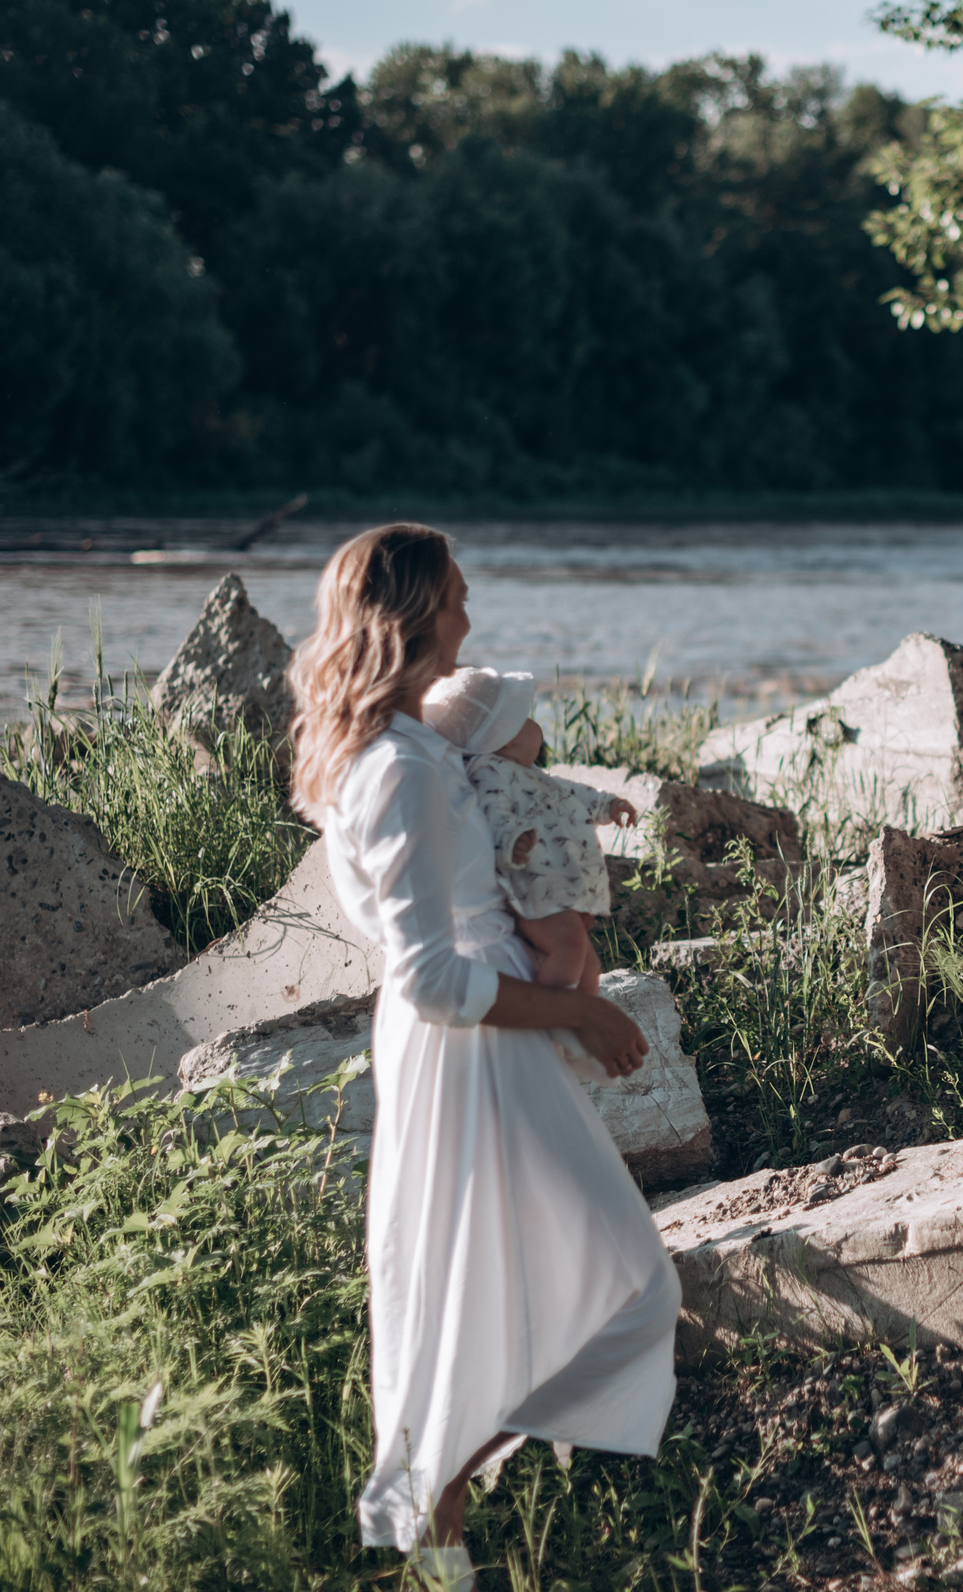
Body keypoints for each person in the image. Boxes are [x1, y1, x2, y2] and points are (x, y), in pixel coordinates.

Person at [288, 524, 678, 1592]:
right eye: (457, 595)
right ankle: (431, 1509)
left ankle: (437, 1543)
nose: (471, 614)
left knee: (474, 1281)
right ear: (414, 617)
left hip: (478, 1043)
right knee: (629, 1282)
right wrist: (582, 1014)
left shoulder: (409, 750)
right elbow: (424, 973)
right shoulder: (397, 772)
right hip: (471, 1044)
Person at [421, 666, 638, 999]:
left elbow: (565, 791)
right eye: (523, 719)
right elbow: (493, 816)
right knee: (567, 951)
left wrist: (606, 805)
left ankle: (581, 1022)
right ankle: (553, 1016)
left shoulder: (523, 771)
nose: (534, 724)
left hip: (558, 885)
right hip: (537, 888)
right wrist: (513, 842)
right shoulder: (490, 773)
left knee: (588, 964)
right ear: (503, 738)